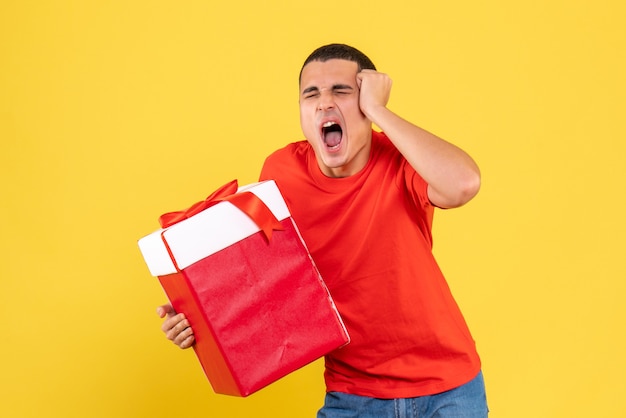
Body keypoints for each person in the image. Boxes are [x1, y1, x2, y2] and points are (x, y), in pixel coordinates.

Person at [157, 43, 488, 417]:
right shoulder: (282, 174)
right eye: (310, 94)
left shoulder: (400, 158)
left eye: (342, 91)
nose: (324, 103)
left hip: (448, 389)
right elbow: (265, 281)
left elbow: (463, 184)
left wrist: (380, 110)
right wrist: (200, 314)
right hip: (354, 394)